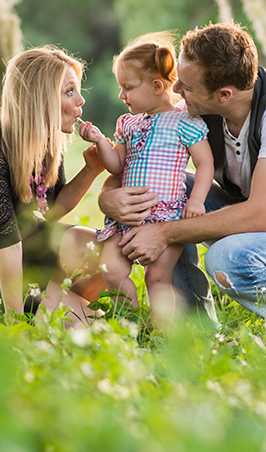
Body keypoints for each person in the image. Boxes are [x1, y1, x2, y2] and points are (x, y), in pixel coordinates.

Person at [100, 23, 266, 329]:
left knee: (228, 260)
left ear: (224, 95)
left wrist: (163, 232)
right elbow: (137, 159)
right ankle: (193, 327)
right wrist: (108, 198)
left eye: (186, 86)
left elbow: (260, 215)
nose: (176, 91)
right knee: (172, 190)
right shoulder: (194, 110)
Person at [0, 47, 106, 326]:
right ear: (39, 99)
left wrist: (91, 170)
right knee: (93, 329)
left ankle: (55, 305)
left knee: (102, 248)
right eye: (69, 91)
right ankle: (15, 318)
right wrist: (15, 326)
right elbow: (8, 246)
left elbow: (52, 209)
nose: (80, 100)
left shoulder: (45, 139)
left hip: (33, 253)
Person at [77, 34, 213, 327]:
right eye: (120, 88)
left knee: (158, 278)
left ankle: (163, 332)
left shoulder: (184, 121)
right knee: (111, 269)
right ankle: (131, 321)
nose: (121, 95)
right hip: (126, 217)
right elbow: (117, 165)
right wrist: (100, 140)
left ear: (156, 86)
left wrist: (197, 200)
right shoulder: (128, 123)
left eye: (128, 87)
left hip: (165, 216)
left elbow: (204, 164)